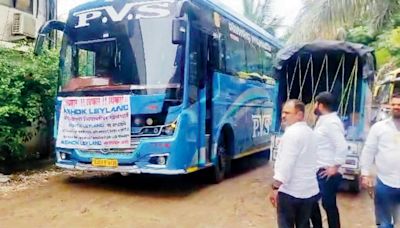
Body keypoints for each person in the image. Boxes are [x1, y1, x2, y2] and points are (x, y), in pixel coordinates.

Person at [269, 99, 319, 228]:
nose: (283, 116)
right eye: (282, 112)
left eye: (287, 112)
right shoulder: (310, 133)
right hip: (308, 192)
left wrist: (275, 187)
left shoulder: (291, 134)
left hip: (290, 193)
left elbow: (286, 166)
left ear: (300, 115)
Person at [360, 94, 400, 228]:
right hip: (385, 183)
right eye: (393, 104)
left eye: (399, 105)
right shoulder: (379, 127)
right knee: (384, 223)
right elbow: (369, 150)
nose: (396, 107)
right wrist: (365, 174)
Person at [310, 92, 347, 228]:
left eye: (315, 103)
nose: (314, 106)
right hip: (320, 169)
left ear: (320, 105)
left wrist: (334, 167)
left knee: (327, 204)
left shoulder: (331, 123)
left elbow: (342, 146)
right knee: (316, 202)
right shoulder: (323, 120)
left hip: (327, 171)